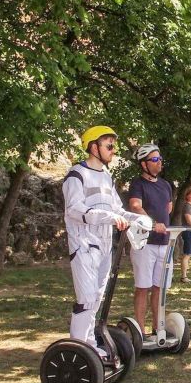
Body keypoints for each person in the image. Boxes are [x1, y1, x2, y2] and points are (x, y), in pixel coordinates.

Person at [63, 126, 132, 355]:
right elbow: (74, 209)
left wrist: (141, 220)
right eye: (109, 145)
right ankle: (78, 350)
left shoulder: (106, 176)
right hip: (83, 245)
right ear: (93, 147)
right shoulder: (76, 175)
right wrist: (109, 217)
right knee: (86, 299)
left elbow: (117, 209)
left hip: (104, 246)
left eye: (114, 146)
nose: (113, 150)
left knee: (97, 299)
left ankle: (90, 345)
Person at [128, 143, 174, 337]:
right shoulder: (137, 184)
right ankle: (140, 331)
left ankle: (158, 327)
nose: (159, 162)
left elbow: (169, 208)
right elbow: (135, 206)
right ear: (144, 164)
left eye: (160, 159)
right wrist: (152, 222)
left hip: (164, 243)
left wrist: (162, 224)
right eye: (154, 159)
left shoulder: (165, 185)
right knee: (143, 287)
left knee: (159, 287)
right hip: (145, 243)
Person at [175, 186, 191, 283]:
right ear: (187, 195)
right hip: (189, 232)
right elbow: (188, 220)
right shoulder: (187, 206)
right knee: (187, 255)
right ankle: (184, 277)